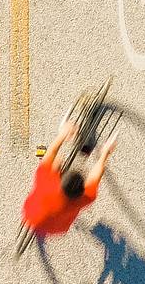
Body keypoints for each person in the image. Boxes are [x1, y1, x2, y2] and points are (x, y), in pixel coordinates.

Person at [18, 107, 118, 250]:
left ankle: (70, 136)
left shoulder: (46, 183)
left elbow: (51, 153)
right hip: (58, 229)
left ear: (60, 181)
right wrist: (105, 154)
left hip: (30, 216)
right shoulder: (85, 198)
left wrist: (63, 135)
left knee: (57, 160)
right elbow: (96, 174)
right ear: (81, 190)